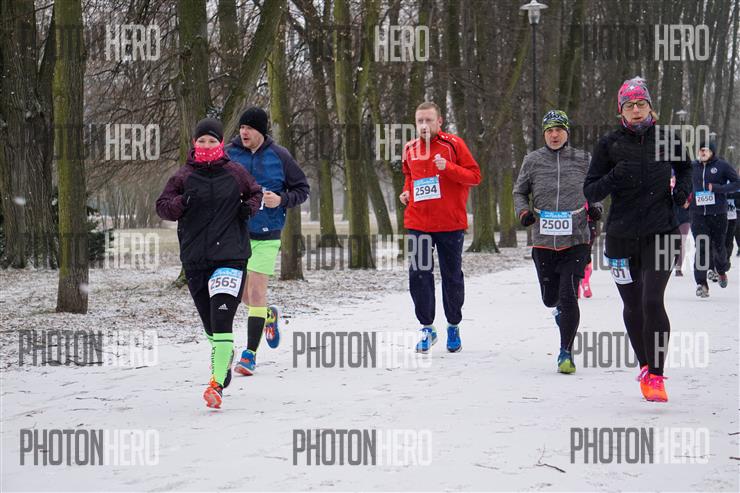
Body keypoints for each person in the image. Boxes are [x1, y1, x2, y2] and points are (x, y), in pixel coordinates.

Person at [584, 77, 691, 403]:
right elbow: (591, 190)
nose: (635, 109)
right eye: (629, 105)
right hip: (621, 237)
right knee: (632, 306)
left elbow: (686, 168)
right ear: (621, 110)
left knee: (652, 301)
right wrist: (616, 175)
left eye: (640, 103)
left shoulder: (668, 138)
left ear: (649, 107)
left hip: (662, 233)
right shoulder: (609, 144)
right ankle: (645, 365)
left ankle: (657, 375)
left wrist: (682, 191)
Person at [156, 118, 262, 408]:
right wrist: (181, 204)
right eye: (201, 140)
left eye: (212, 140)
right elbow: (162, 207)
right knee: (210, 325)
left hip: (231, 256)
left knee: (222, 319)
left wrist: (249, 208)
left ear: (220, 143)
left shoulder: (235, 172)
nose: (206, 145)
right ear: (194, 143)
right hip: (196, 259)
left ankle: (216, 384)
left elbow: (255, 193)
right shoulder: (184, 176)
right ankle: (224, 357)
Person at [514, 110, 602, 373]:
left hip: (576, 238)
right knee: (550, 298)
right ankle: (560, 315)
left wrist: (596, 207)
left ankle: (566, 352)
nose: (554, 135)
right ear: (544, 134)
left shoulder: (583, 159)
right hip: (543, 240)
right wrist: (524, 212)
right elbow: (519, 192)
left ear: (567, 132)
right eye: (550, 131)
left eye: (559, 130)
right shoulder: (532, 160)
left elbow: (595, 189)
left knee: (568, 294)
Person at [226, 107, 309, 375]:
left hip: (267, 233)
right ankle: (268, 315)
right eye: (241, 127)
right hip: (236, 233)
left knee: (257, 292)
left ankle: (249, 355)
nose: (244, 132)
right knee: (241, 294)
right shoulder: (229, 154)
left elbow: (302, 189)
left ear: (260, 131)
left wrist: (281, 200)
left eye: (249, 128)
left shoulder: (280, 155)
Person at [399, 101, 481, 353]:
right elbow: (409, 176)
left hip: (449, 223)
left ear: (439, 121)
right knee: (419, 274)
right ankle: (427, 327)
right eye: (420, 121)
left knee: (451, 276)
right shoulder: (410, 148)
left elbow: (475, 176)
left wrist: (449, 168)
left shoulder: (453, 145)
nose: (424, 125)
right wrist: (406, 192)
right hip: (418, 222)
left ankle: (453, 325)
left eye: (429, 120)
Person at [689, 140, 739, 296]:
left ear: (712, 152)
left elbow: (737, 183)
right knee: (701, 247)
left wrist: (718, 189)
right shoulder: (692, 166)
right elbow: (683, 183)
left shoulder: (722, 166)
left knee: (719, 247)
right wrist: (684, 198)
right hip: (698, 214)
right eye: (701, 150)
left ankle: (721, 270)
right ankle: (701, 284)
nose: (703, 152)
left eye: (706, 150)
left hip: (718, 214)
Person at [671, 174, 691, 277]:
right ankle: (670, 264)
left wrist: (689, 202)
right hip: (670, 217)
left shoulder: (686, 183)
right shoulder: (665, 183)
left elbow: (692, 195)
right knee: (671, 243)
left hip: (684, 217)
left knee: (681, 242)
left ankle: (678, 268)